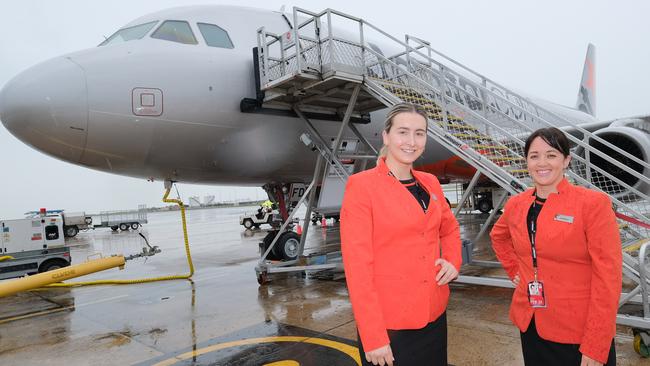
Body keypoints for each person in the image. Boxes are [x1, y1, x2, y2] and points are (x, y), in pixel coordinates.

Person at [340, 103, 462, 366]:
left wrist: (453, 260)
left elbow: (450, 228)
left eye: (420, 133)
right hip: (390, 325)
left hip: (434, 314)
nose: (411, 141)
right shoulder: (362, 186)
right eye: (403, 132)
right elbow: (357, 266)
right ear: (386, 136)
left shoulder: (429, 183)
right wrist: (372, 335)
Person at [490, 127, 622, 366]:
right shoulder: (517, 204)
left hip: (577, 330)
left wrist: (596, 343)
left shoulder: (592, 204)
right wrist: (515, 271)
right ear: (527, 162)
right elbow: (498, 237)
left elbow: (608, 278)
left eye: (551, 155)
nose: (542, 163)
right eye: (534, 156)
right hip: (531, 322)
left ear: (566, 160)